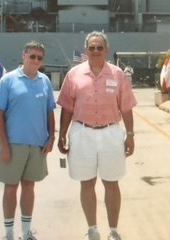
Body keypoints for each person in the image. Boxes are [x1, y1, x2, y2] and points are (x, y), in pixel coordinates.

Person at [57, 31, 137, 240]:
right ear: (86, 50)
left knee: (112, 183)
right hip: (82, 132)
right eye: (91, 47)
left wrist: (130, 135)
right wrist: (62, 135)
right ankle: (92, 230)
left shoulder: (117, 74)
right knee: (87, 183)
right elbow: (66, 108)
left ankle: (113, 231)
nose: (95, 51)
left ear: (106, 50)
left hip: (111, 133)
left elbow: (127, 108)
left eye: (99, 47)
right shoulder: (73, 74)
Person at [0, 40, 56, 240]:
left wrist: (51, 136)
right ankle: (9, 234)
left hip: (37, 145)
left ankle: (26, 232)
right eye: (32, 56)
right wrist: (4, 144)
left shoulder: (44, 81)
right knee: (11, 188)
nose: (35, 60)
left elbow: (49, 112)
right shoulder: (8, 80)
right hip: (13, 144)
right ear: (24, 56)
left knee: (29, 187)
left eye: (39, 57)